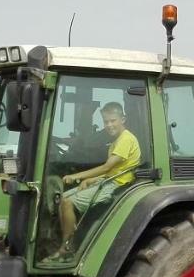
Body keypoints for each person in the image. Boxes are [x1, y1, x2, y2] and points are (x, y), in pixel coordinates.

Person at [56, 102, 141, 256]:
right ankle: (71, 238)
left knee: (68, 202)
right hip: (109, 180)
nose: (109, 125)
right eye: (106, 122)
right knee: (63, 198)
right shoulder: (117, 140)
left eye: (113, 120)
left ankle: (67, 247)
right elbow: (114, 171)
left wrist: (76, 176)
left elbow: (107, 168)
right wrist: (90, 180)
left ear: (123, 119)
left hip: (117, 186)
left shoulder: (126, 139)